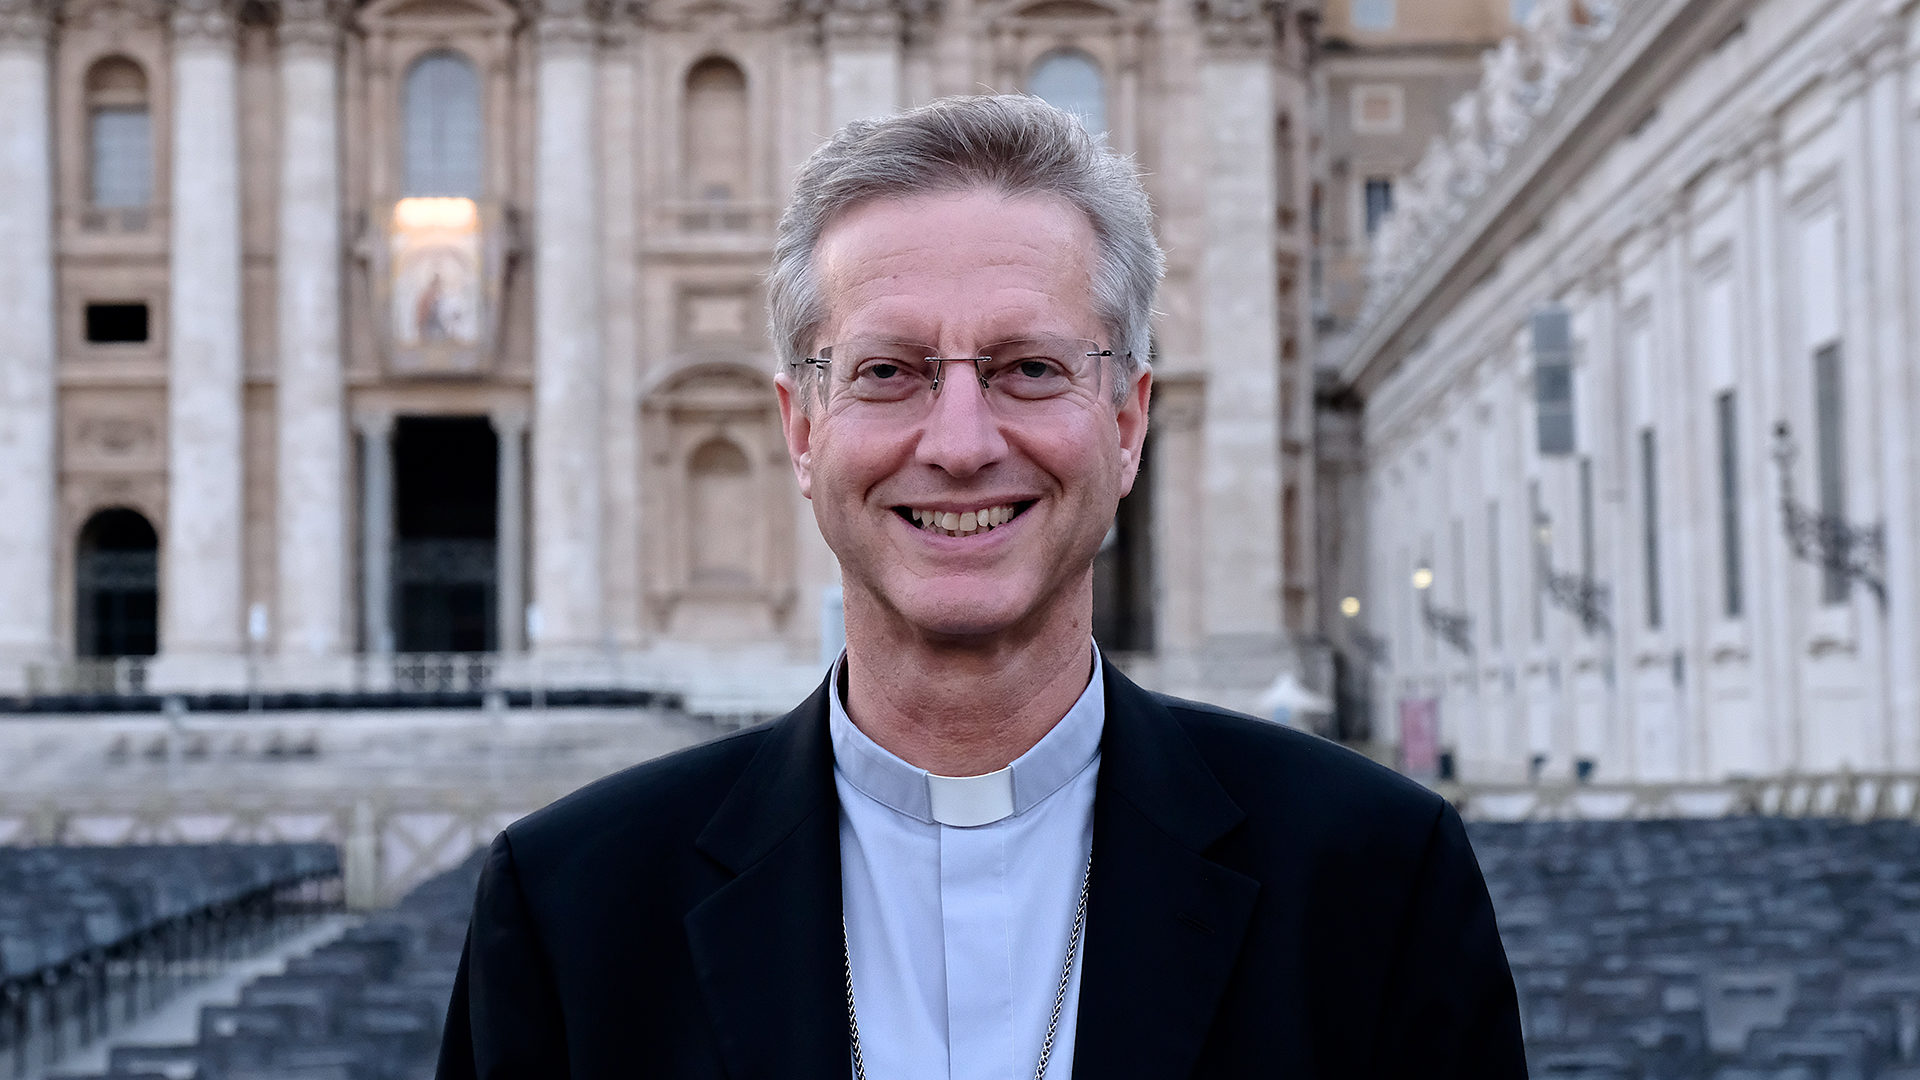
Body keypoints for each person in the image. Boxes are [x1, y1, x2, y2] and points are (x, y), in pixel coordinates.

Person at [436, 94, 1528, 1079]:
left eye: (1029, 368)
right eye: (889, 372)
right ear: (802, 431)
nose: (960, 444)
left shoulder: (1377, 881)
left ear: (1128, 422)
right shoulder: (568, 907)